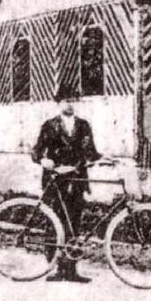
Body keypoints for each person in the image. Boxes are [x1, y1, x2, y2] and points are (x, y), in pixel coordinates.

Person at [32, 91, 101, 283]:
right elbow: (36, 150)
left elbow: (90, 151)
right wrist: (43, 160)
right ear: (59, 103)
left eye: (73, 100)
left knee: (74, 223)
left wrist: (104, 158)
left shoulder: (83, 125)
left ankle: (71, 270)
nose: (70, 104)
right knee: (55, 223)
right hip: (55, 180)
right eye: (66, 100)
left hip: (77, 180)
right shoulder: (49, 125)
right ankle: (55, 268)